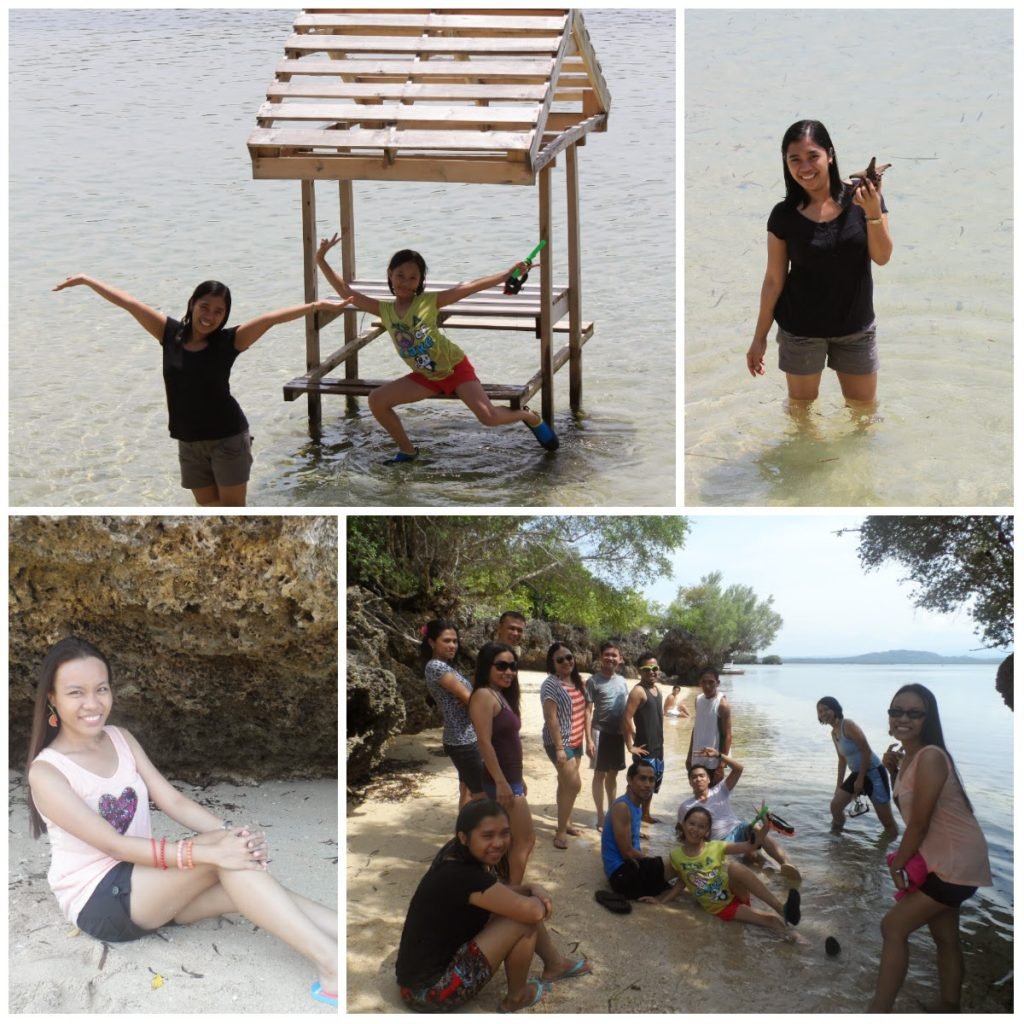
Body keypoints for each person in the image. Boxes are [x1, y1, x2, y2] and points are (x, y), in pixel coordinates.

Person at [24, 637, 338, 1007]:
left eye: (101, 689)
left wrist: (228, 833)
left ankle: (340, 937)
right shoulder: (47, 772)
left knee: (237, 875)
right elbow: (115, 846)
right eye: (76, 692)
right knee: (221, 860)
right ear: (52, 699)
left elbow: (170, 798)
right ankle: (332, 965)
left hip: (149, 882)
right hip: (101, 902)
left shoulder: (120, 738)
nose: (92, 703)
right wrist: (211, 852)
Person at [51, 274, 348, 505]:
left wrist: (317, 306)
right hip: (189, 442)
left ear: (226, 316)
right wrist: (87, 280)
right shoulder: (169, 334)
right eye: (204, 306)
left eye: (219, 311)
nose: (210, 315)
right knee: (208, 510)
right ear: (192, 304)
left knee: (232, 516)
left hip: (227, 439)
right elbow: (129, 302)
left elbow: (271, 318)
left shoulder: (229, 341)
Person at [315, 236, 559, 462]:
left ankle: (529, 416)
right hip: (426, 376)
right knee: (377, 400)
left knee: (489, 418)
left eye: (413, 277)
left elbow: (471, 287)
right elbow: (346, 292)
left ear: (420, 281)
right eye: (400, 275)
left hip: (455, 369)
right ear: (390, 275)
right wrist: (320, 260)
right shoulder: (384, 310)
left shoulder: (429, 301)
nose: (406, 282)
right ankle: (407, 450)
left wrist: (507, 274)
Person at [746, 119, 893, 407]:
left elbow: (882, 257)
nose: (805, 167)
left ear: (830, 154)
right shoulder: (783, 215)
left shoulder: (863, 198)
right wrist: (759, 337)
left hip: (856, 329)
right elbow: (774, 280)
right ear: (786, 163)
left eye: (813, 156)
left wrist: (873, 211)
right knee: (801, 414)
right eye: (795, 159)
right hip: (800, 331)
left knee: (863, 412)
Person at [396, 799, 591, 1013]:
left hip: (417, 981)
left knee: (517, 905)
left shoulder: (454, 852)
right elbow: (533, 912)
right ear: (464, 837)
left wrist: (531, 887)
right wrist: (540, 895)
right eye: (487, 836)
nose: (498, 843)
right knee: (522, 920)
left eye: (504, 833)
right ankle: (517, 997)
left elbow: (497, 893)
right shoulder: (464, 875)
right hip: (428, 994)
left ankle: (555, 965)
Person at [868, 684, 992, 1013]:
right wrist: (893, 771)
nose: (903, 718)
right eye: (896, 711)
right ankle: (950, 1008)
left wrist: (898, 865)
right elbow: (909, 810)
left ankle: (877, 1012)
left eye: (914, 713)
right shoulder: (909, 758)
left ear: (928, 718)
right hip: (946, 860)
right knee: (945, 935)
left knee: (893, 927)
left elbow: (919, 824)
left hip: (955, 862)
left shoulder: (931, 757)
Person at [668, 806, 800, 942]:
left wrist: (766, 826)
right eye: (691, 824)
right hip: (722, 906)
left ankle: (782, 909)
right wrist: (662, 900)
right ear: (683, 824)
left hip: (735, 891)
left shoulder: (715, 846)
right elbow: (682, 880)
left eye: (701, 827)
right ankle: (800, 942)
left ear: (707, 831)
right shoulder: (676, 856)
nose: (695, 829)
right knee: (772, 921)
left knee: (735, 867)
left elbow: (750, 846)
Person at [468, 643, 535, 885]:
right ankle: (512, 895)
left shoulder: (500, 695)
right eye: (501, 666)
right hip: (501, 783)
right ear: (487, 667)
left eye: (513, 666)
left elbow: (508, 743)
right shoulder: (484, 695)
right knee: (524, 839)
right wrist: (502, 782)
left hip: (510, 781)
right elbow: (484, 743)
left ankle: (502, 887)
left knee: (510, 842)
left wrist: (519, 778)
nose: (509, 671)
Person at [677, 756, 801, 881]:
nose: (698, 779)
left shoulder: (720, 790)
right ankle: (771, 872)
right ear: (690, 782)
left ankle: (788, 864)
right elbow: (683, 831)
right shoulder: (686, 806)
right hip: (719, 842)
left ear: (708, 779)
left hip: (738, 829)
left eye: (701, 776)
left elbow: (738, 769)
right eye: (694, 777)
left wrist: (719, 755)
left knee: (756, 829)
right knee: (752, 860)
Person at [422, 620, 485, 808]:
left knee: (467, 788)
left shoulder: (445, 666)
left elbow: (469, 696)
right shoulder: (436, 667)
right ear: (432, 642)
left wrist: (470, 695)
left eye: (455, 641)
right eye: (446, 641)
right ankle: (469, 833)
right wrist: (471, 697)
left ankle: (463, 834)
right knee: (481, 792)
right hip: (463, 740)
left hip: (462, 737)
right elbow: (471, 699)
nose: (452, 646)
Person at [816, 696, 899, 838]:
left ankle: (892, 852)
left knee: (887, 821)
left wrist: (860, 780)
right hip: (856, 773)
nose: (823, 713)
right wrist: (838, 786)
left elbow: (866, 750)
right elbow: (842, 760)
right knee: (835, 807)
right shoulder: (833, 733)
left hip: (874, 773)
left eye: (826, 709)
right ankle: (836, 836)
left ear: (835, 709)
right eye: (820, 711)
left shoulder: (848, 725)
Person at [600, 762, 671, 903]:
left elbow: (627, 837)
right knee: (679, 862)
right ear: (629, 779)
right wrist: (651, 861)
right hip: (622, 878)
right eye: (642, 778)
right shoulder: (622, 807)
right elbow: (627, 852)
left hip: (627, 870)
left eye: (651, 780)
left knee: (679, 864)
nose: (648, 784)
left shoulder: (635, 804)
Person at [540, 643, 587, 850]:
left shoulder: (578, 682)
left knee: (565, 784)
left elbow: (586, 711)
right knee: (574, 785)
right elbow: (550, 717)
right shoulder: (551, 684)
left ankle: (565, 823)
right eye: (560, 660)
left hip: (577, 741)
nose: (566, 662)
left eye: (569, 657)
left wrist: (590, 740)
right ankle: (560, 832)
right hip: (559, 742)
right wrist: (559, 748)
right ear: (552, 663)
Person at [584, 642, 629, 830]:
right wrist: (588, 740)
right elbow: (588, 711)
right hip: (600, 732)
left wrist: (629, 736)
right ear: (600, 657)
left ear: (620, 659)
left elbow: (627, 710)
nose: (610, 658)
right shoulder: (593, 681)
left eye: (614, 655)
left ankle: (612, 812)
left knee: (613, 775)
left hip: (618, 734)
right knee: (599, 774)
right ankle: (600, 816)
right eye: (607, 654)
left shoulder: (623, 681)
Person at [622, 653, 666, 823]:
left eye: (655, 668)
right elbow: (626, 718)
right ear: (640, 671)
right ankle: (630, 817)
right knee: (638, 786)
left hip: (658, 747)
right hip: (644, 749)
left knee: (651, 785)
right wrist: (630, 745)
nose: (652, 672)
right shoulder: (638, 691)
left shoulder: (657, 689)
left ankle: (645, 815)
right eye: (648, 669)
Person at [686, 666, 732, 786]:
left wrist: (721, 765)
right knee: (699, 794)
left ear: (718, 683)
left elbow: (727, 735)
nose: (707, 686)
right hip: (697, 759)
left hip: (714, 761)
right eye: (704, 682)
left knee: (714, 798)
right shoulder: (698, 700)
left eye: (711, 682)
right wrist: (689, 756)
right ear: (699, 683)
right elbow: (696, 729)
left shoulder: (722, 705)